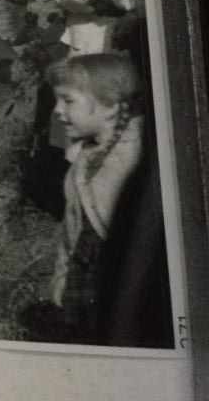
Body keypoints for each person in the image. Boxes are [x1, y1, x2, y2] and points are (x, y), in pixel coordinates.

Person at [19, 54, 172, 347]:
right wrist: (59, 298)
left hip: (119, 301)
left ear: (111, 106)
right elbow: (71, 238)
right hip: (82, 290)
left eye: (68, 101)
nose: (58, 111)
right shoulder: (86, 157)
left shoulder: (135, 163)